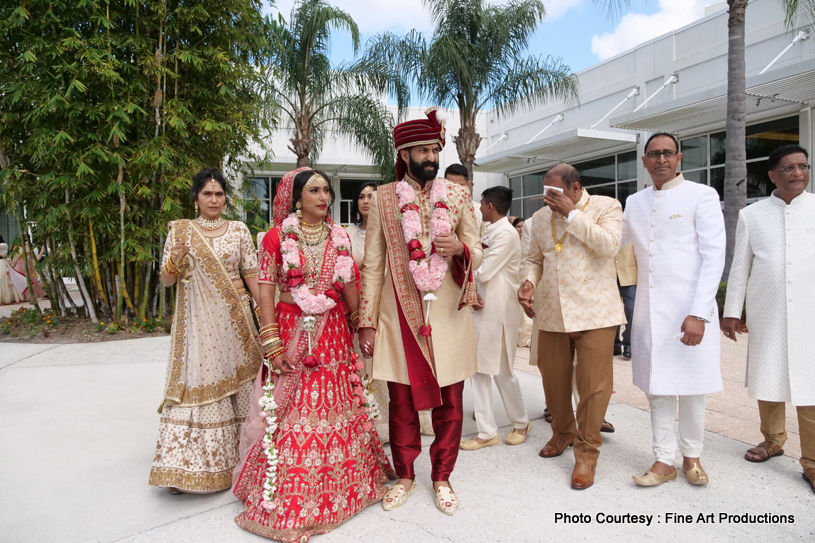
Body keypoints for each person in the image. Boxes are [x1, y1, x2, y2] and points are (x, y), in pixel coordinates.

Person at [232, 168, 392, 542]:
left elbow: (350, 283)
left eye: (326, 190)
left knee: (340, 400)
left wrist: (361, 325)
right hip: (292, 330)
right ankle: (289, 495)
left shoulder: (339, 236)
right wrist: (271, 344)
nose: (324, 196)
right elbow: (266, 293)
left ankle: (348, 487)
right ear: (296, 198)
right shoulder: (276, 238)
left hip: (334, 333)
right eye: (314, 190)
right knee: (291, 407)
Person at [359, 108, 483, 515]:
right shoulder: (382, 198)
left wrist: (461, 251)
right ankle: (406, 475)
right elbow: (374, 264)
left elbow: (478, 250)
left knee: (451, 400)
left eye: (435, 148)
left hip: (447, 315)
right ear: (404, 153)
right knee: (401, 400)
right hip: (398, 318)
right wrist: (367, 321)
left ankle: (442, 476)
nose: (432, 156)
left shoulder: (460, 196)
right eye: (423, 150)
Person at [149, 168, 264, 494]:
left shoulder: (239, 230)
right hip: (197, 324)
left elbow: (252, 276)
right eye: (207, 194)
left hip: (235, 321)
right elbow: (167, 280)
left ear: (225, 196)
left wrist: (266, 320)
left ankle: (244, 461)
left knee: (242, 383)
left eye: (218, 193)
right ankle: (188, 469)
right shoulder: (181, 231)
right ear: (196, 198)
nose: (214, 200)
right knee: (197, 383)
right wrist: (175, 258)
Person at [622, 133, 725, 487]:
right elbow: (613, 246)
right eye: (654, 153)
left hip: (690, 310)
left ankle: (692, 456)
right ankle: (663, 459)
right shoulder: (634, 201)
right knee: (657, 387)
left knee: (694, 388)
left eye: (668, 153)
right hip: (650, 312)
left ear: (679, 158)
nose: (661, 159)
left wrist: (699, 313)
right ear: (644, 161)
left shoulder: (701, 195)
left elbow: (714, 257)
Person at [518, 163, 624, 490]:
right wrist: (527, 282)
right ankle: (562, 432)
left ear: (575, 189)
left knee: (594, 387)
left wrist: (573, 214)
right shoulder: (538, 220)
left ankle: (587, 454)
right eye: (546, 193)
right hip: (551, 312)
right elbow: (534, 259)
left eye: (557, 193)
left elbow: (609, 245)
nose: (549, 199)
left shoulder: (607, 206)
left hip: (596, 313)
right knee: (554, 381)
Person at [722, 144, 815, 494]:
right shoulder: (753, 215)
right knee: (769, 375)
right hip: (767, 309)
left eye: (803, 166)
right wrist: (732, 311)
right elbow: (740, 266)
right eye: (789, 168)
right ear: (773, 174)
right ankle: (773, 440)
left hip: (811, 310)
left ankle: (813, 463)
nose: (798, 173)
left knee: (810, 384)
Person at [461, 186, 531, 451]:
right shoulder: (490, 230)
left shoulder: (506, 234)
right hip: (481, 306)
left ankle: (521, 422)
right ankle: (487, 431)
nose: (479, 208)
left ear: (490, 206)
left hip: (498, 308)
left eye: (481, 204)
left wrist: (463, 261)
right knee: (478, 368)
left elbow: (485, 271)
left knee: (502, 370)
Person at [346, 181, 393, 442]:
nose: (366, 201)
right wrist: (358, 266)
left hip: (384, 303)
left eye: (371, 196)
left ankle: (384, 423)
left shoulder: (391, 231)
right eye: (362, 196)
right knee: (358, 359)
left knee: (381, 361)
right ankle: (360, 420)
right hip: (355, 305)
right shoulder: (347, 233)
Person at [445, 163, 487, 236]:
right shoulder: (437, 208)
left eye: (460, 185)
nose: (455, 190)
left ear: (468, 185)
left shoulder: (480, 212)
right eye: (451, 186)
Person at [614, 242, 637, 359]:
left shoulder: (632, 225)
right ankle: (614, 345)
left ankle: (629, 344)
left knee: (631, 311)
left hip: (630, 275)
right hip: (610, 275)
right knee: (613, 312)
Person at [0, 235, 23, 305]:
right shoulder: (5, 245)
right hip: (3, 262)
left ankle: (5, 298)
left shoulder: (2, 245)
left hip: (1, 262)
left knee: (3, 281)